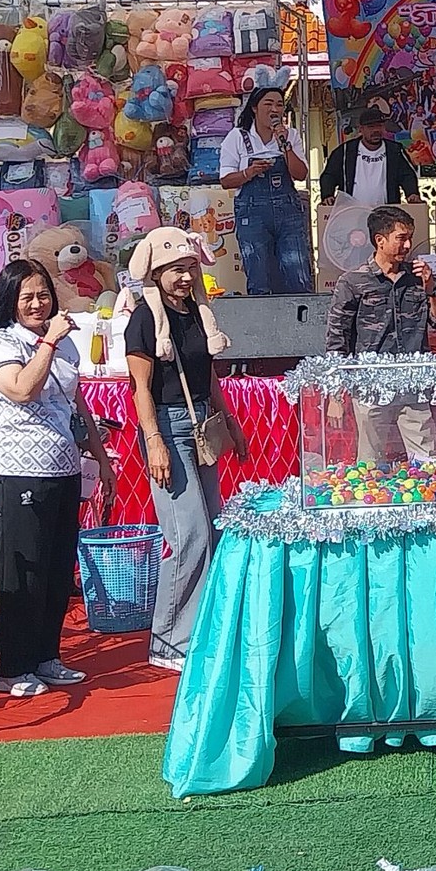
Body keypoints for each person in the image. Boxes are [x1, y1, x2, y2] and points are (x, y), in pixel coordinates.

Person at [0, 258, 116, 699]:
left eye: (43, 296)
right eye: (27, 298)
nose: (38, 304)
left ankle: (46, 656)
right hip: (18, 471)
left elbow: (78, 404)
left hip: (64, 467)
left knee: (57, 570)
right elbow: (22, 389)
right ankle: (12, 666)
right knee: (24, 571)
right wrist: (49, 342)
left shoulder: (65, 343)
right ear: (10, 301)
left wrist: (101, 459)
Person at [125, 228, 245, 671]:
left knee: (211, 529)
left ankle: (199, 630)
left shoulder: (197, 312)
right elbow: (139, 387)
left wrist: (230, 421)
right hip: (167, 428)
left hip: (202, 425)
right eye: (176, 269)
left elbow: (207, 376)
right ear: (156, 272)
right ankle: (169, 642)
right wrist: (154, 441)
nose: (185, 277)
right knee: (188, 534)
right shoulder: (144, 318)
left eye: (191, 267)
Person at [323, 204, 436, 460]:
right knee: (370, 462)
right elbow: (337, 340)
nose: (408, 245)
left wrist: (431, 288)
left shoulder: (418, 277)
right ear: (380, 240)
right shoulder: (353, 281)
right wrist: (335, 395)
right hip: (371, 385)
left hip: (413, 383)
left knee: (427, 461)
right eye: (401, 238)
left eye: (410, 238)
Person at [219, 85, 311, 295]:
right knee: (259, 274)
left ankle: (299, 314)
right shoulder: (237, 137)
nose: (274, 109)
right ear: (254, 107)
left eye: (279, 105)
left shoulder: (291, 135)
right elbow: (225, 180)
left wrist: (285, 145)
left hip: (288, 212)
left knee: (297, 273)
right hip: (253, 213)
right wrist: (249, 172)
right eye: (268, 104)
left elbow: (300, 174)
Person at [319, 101, 422, 209]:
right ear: (361, 129)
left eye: (379, 126)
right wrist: (327, 195)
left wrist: (412, 193)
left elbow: (407, 175)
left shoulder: (394, 150)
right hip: (350, 212)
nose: (376, 130)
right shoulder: (345, 151)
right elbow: (329, 176)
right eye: (371, 127)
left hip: (386, 212)